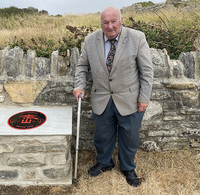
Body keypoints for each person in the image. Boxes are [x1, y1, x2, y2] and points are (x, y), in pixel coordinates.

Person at [73, 6, 153, 187]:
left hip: (130, 98)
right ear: (101, 23)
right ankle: (104, 163)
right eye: (105, 22)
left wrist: (144, 97)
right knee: (102, 135)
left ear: (121, 21)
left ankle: (127, 167)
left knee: (129, 135)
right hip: (101, 97)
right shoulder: (90, 41)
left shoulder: (137, 38)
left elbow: (147, 71)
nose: (110, 26)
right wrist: (79, 86)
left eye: (113, 21)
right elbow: (82, 67)